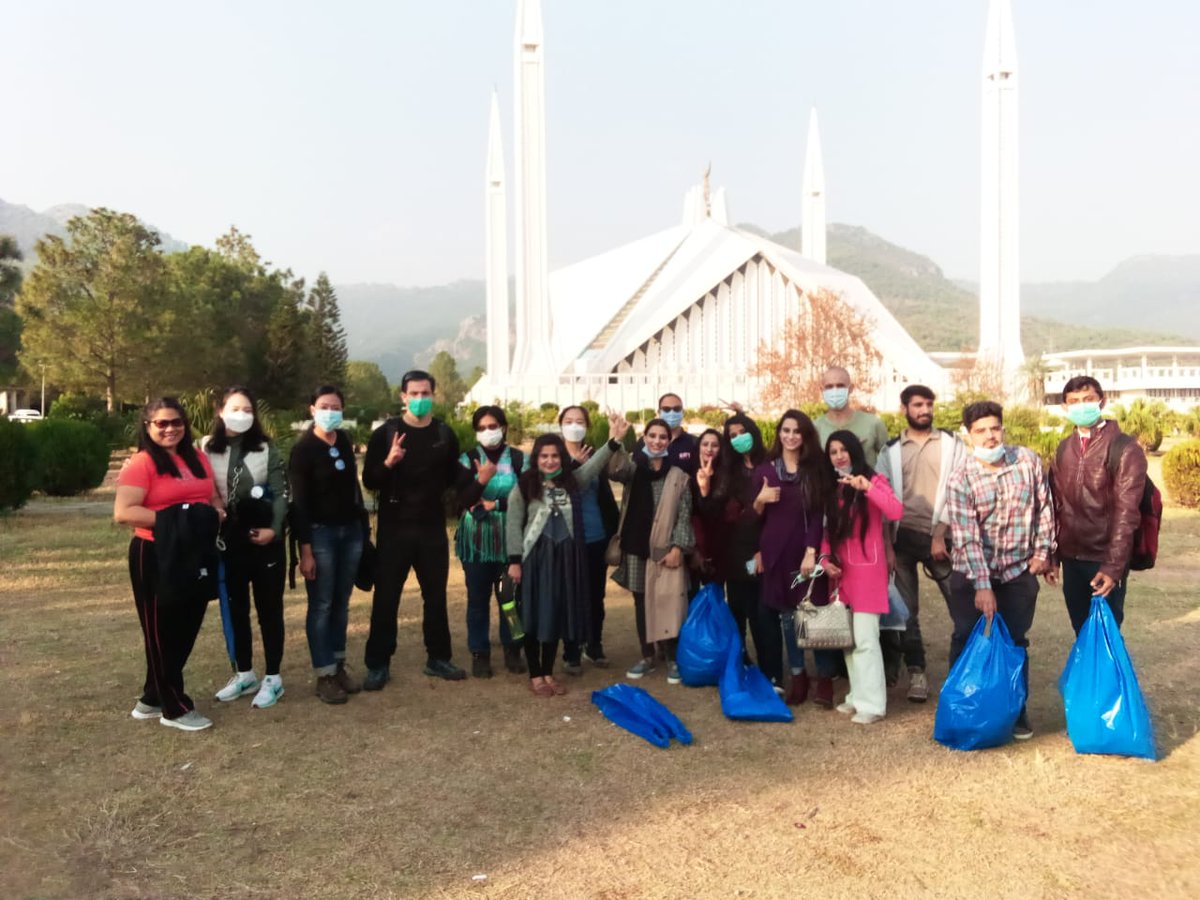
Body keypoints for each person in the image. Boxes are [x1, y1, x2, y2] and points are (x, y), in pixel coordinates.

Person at [362, 370, 480, 689]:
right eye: (413, 394)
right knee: (386, 598)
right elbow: (370, 481)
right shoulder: (386, 434)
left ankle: (439, 658)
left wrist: (480, 481)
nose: (419, 399)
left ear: (433, 395)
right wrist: (389, 462)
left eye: (424, 393)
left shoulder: (444, 434)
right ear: (402, 397)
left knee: (435, 597)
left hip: (431, 530)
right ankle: (378, 664)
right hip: (393, 529)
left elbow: (457, 480)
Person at [946, 401, 1054, 740]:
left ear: (1002, 429)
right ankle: (963, 708)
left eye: (995, 428)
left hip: (1017, 572)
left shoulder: (1027, 461)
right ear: (968, 435)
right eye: (981, 431)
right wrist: (982, 585)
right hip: (971, 573)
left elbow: (1045, 507)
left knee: (1015, 642)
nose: (990, 436)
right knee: (967, 638)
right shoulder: (960, 477)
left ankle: (1016, 711)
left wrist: (1042, 551)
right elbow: (966, 536)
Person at [114, 397, 224, 731]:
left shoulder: (198, 459)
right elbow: (124, 512)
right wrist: (179, 520)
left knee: (187, 625)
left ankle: (151, 698)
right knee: (161, 630)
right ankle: (173, 707)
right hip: (155, 553)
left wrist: (216, 511)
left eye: (176, 422)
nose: (170, 429)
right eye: (161, 423)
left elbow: (212, 497)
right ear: (148, 427)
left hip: (194, 554)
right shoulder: (142, 463)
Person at [506, 414, 630, 696]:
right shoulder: (525, 485)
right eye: (544, 456)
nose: (550, 461)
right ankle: (536, 674)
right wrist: (514, 561)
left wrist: (615, 441)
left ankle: (549, 672)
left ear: (562, 457)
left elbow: (596, 464)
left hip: (565, 559)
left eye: (554, 456)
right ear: (536, 458)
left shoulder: (573, 481)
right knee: (532, 615)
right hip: (535, 560)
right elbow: (513, 523)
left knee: (556, 614)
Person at [875, 384, 966, 701]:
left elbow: (960, 488)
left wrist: (941, 533)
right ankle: (916, 673)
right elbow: (882, 498)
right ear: (904, 409)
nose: (924, 410)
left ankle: (967, 669)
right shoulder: (890, 450)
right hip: (901, 540)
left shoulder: (952, 444)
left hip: (940, 539)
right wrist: (887, 546)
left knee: (961, 604)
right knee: (906, 612)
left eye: (929, 404)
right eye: (917, 404)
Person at [202, 387, 289, 709]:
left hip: (265, 543)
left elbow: (281, 493)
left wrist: (274, 530)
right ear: (220, 410)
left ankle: (273, 678)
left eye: (248, 410)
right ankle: (244, 672)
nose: (242, 415)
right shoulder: (206, 448)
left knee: (269, 611)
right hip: (229, 543)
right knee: (236, 610)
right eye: (235, 408)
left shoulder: (266, 449)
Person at [1050, 376, 1148, 634]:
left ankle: (1109, 677)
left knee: (1106, 633)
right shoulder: (1064, 449)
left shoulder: (1124, 448)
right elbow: (1056, 506)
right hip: (1072, 558)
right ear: (1065, 407)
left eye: (1088, 399)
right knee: (1080, 631)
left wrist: (1113, 567)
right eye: (1074, 402)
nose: (1081, 406)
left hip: (1103, 559)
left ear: (1101, 401)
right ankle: (1087, 677)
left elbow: (1127, 514)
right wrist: (1053, 557)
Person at [753, 409, 839, 706]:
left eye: (796, 431)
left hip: (805, 552)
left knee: (815, 613)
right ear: (779, 433)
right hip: (775, 553)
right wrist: (759, 500)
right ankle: (798, 674)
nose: (790, 436)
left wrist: (811, 551)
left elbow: (818, 514)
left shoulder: (815, 470)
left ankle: (825, 678)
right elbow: (752, 519)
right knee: (788, 618)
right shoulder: (765, 470)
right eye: (785, 430)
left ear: (805, 436)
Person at [290, 385, 366, 705]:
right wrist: (305, 550)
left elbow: (352, 488)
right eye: (324, 406)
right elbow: (300, 505)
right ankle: (324, 674)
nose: (330, 411)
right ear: (312, 409)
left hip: (350, 533)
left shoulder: (345, 441)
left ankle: (337, 665)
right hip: (319, 536)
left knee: (341, 602)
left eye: (336, 406)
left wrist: (363, 529)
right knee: (321, 605)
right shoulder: (303, 450)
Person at [821, 431, 903, 725]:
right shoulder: (830, 487)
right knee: (848, 639)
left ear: (855, 451)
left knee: (867, 638)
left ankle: (873, 704)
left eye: (844, 449)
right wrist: (824, 559)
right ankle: (856, 695)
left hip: (868, 572)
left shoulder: (873, 480)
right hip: (841, 574)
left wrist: (867, 487)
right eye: (833, 451)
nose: (840, 455)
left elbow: (895, 510)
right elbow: (825, 530)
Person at [612, 418, 695, 684]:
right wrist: (617, 440)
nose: (657, 441)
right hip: (636, 546)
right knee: (640, 601)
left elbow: (685, 514)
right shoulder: (634, 469)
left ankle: (671, 656)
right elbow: (615, 470)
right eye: (652, 436)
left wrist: (678, 546)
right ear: (644, 438)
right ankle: (647, 655)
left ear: (669, 442)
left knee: (668, 600)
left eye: (663, 437)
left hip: (665, 549)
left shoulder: (678, 475)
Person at [455, 405, 525, 678]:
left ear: (504, 427)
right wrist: (481, 479)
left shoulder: (520, 459)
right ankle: (479, 652)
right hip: (476, 543)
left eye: (493, 426)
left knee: (511, 599)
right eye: (482, 428)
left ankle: (513, 648)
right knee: (477, 599)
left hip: (511, 539)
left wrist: (495, 503)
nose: (488, 432)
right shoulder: (467, 459)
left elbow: (527, 496)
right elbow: (461, 499)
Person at [559, 404, 621, 670]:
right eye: (569, 420)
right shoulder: (552, 455)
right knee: (570, 595)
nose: (575, 425)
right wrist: (576, 465)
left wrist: (614, 531)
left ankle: (593, 646)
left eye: (580, 421)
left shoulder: (596, 455)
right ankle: (571, 651)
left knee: (596, 595)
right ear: (560, 423)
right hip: (566, 538)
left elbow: (605, 494)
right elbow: (562, 484)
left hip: (595, 536)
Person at [720, 413, 776, 672]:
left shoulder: (771, 465)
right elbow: (733, 519)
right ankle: (740, 664)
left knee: (763, 615)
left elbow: (779, 516)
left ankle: (770, 670)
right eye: (732, 435)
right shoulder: (728, 472)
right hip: (737, 555)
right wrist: (757, 505)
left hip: (766, 552)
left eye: (743, 432)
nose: (739, 438)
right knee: (738, 612)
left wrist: (764, 549)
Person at [813, 366, 890, 467]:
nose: (835, 391)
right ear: (822, 389)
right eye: (829, 387)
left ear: (851, 389)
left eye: (840, 386)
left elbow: (889, 462)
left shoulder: (873, 423)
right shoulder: (815, 428)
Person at [690, 428, 734, 588]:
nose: (709, 449)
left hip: (719, 548)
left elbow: (714, 514)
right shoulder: (690, 471)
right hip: (693, 545)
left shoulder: (726, 474)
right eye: (705, 444)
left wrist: (705, 489)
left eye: (714, 445)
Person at [641, 392, 699, 475]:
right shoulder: (645, 442)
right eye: (666, 409)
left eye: (677, 409)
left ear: (682, 412)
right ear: (659, 412)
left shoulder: (694, 443)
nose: (672, 413)